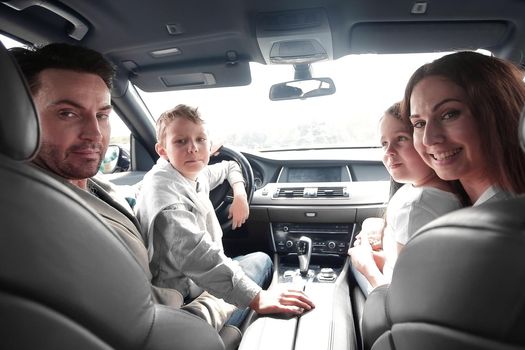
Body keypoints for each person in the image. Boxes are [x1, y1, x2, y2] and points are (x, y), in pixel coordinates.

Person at [10, 43, 313, 334]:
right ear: (19, 117)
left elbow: (225, 169)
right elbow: (191, 258)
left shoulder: (87, 184)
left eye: (102, 115)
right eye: (67, 113)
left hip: (176, 300)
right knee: (259, 260)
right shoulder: (43, 219)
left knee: (250, 261)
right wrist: (251, 297)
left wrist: (239, 191)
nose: (94, 133)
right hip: (178, 313)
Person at [135, 104, 315, 329]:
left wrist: (239, 194)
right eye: (181, 141)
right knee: (264, 261)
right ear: (162, 150)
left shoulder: (190, 172)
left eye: (200, 140)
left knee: (259, 259)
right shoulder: (164, 194)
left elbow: (230, 166)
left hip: (198, 282)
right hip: (181, 299)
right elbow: (198, 255)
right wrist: (258, 297)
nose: (193, 148)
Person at [403, 51, 525, 205]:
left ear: (499, 113)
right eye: (419, 124)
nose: (428, 139)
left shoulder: (503, 216)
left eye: (449, 114)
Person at [348, 102, 463, 295]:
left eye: (401, 139)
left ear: (424, 141)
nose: (389, 151)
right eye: (384, 143)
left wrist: (365, 265)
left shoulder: (417, 207)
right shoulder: (416, 190)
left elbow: (404, 298)